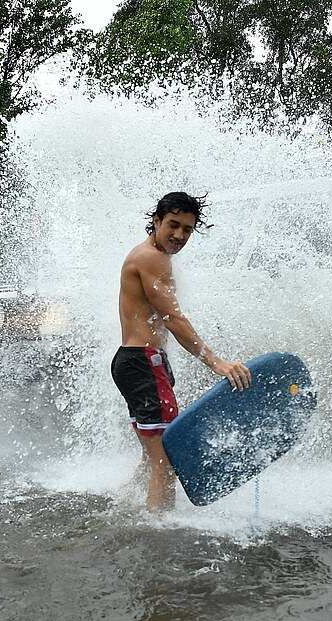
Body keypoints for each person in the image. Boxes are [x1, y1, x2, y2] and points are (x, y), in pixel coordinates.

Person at [111, 191, 252, 512]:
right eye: (173, 225)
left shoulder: (149, 256)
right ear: (156, 221)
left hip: (136, 362)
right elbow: (173, 319)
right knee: (167, 460)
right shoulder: (151, 258)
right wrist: (217, 363)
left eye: (187, 229)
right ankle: (159, 536)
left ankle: (124, 509)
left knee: (154, 456)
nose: (179, 235)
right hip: (143, 364)